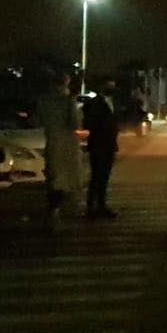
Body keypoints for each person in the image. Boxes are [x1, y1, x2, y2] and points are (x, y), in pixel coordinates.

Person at [32, 70, 84, 232]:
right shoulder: (68, 100)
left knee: (53, 177)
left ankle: (52, 212)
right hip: (67, 144)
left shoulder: (43, 101)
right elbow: (74, 123)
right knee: (64, 179)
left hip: (52, 141)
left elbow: (37, 120)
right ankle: (56, 213)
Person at [82, 81, 120, 218]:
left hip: (109, 144)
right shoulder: (94, 103)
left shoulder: (113, 102)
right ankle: (92, 207)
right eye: (109, 85)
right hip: (98, 145)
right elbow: (89, 123)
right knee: (97, 177)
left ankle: (101, 206)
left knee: (104, 177)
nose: (112, 88)